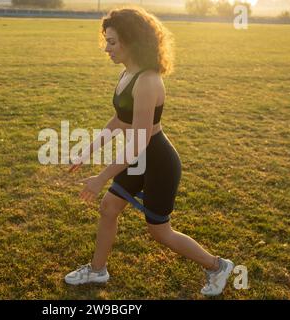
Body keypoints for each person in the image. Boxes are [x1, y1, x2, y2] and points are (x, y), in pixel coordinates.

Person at [65, 7, 234, 297]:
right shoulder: (127, 74)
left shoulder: (148, 81)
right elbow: (120, 119)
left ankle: (217, 266)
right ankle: (97, 270)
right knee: (109, 208)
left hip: (157, 162)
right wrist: (87, 151)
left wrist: (101, 177)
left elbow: (140, 142)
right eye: (106, 40)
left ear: (132, 42)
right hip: (139, 157)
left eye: (112, 42)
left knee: (159, 231)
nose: (106, 48)